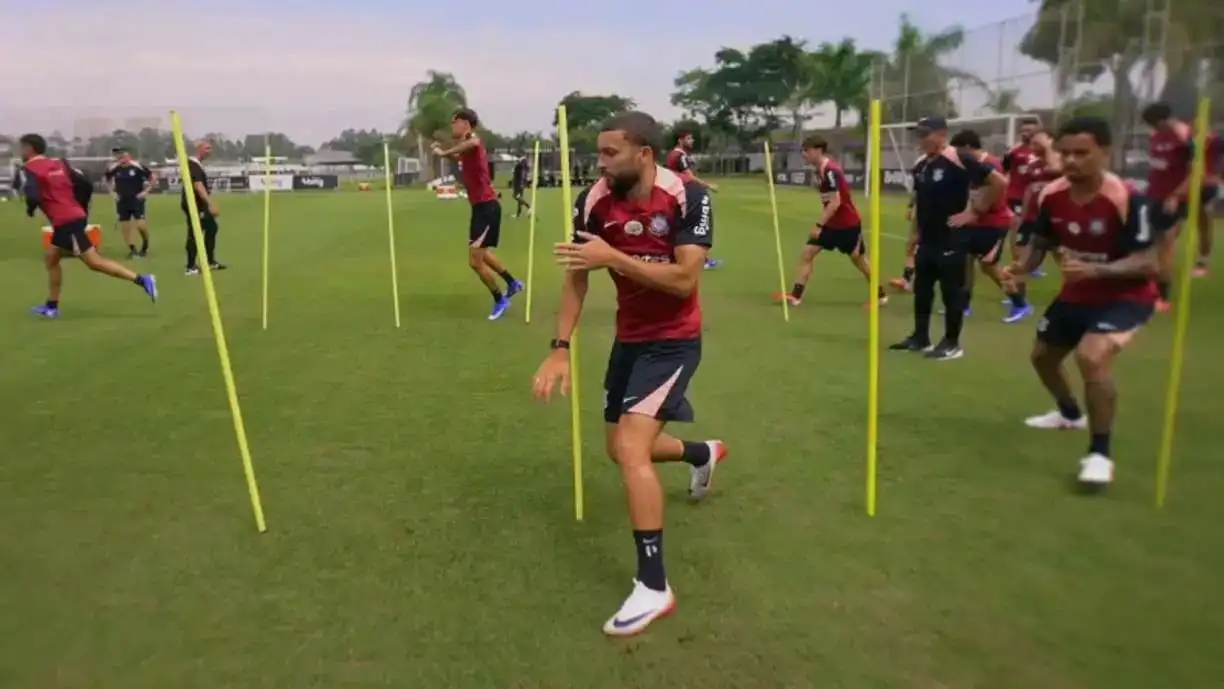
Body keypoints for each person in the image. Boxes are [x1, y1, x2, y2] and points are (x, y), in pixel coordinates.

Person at [533, 111, 728, 637]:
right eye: (598, 153)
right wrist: (559, 348)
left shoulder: (688, 196)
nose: (600, 162)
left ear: (644, 153)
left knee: (633, 452)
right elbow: (578, 278)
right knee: (617, 447)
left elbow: (685, 280)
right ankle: (701, 453)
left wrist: (613, 256)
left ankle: (653, 585)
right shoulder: (594, 201)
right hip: (630, 339)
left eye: (609, 153)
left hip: (675, 341)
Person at [1007, 116, 1162, 487]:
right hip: (1078, 293)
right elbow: (1042, 241)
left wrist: (1098, 272)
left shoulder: (1127, 197)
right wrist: (1021, 268)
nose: (1071, 161)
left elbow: (1148, 262)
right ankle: (1069, 415)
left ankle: (1099, 455)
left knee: (1091, 356)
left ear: (1104, 152)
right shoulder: (1051, 194)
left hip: (1127, 295)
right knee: (1043, 358)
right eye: (1065, 153)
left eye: (1081, 153)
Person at [888, 116, 998, 361]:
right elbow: (920, 202)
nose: (920, 139)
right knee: (922, 290)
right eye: (918, 134)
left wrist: (974, 212)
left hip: (952, 238)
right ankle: (920, 337)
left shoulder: (958, 158)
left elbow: (999, 182)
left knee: (951, 293)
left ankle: (952, 343)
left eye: (925, 134)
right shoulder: (921, 165)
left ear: (941, 135)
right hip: (928, 239)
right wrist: (914, 234)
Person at [19, 134, 157, 318]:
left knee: (94, 262)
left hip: (66, 221)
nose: (21, 152)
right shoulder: (61, 163)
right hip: (72, 218)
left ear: (30, 149)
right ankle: (52, 306)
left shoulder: (31, 168)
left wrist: (30, 209)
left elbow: (33, 195)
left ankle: (142, 280)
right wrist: (79, 208)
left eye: (22, 148)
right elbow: (84, 185)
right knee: (51, 258)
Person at [431, 108, 524, 320]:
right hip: (480, 208)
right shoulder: (465, 148)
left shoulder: (473, 140)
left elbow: (471, 144)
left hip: (487, 207)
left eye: (454, 122)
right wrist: (442, 151)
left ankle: (500, 299)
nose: (452, 126)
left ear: (465, 123)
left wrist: (443, 153)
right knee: (482, 253)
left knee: (474, 261)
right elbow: (459, 156)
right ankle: (512, 283)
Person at [776, 135, 887, 307]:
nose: (803, 154)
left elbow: (836, 202)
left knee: (859, 260)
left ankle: (880, 295)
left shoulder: (831, 171)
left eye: (807, 150)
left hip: (847, 225)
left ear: (818, 150)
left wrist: (818, 225)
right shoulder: (818, 171)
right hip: (832, 224)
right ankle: (795, 296)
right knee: (807, 253)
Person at [950, 129, 1032, 323]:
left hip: (994, 222)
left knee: (989, 266)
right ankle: (964, 305)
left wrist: (978, 210)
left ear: (968, 147)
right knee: (965, 262)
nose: (957, 154)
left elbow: (999, 187)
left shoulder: (989, 164)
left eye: (959, 149)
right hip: (975, 223)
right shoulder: (970, 164)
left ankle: (1020, 303)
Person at [1141, 101, 1222, 294]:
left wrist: (1177, 195)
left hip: (1196, 188)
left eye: (1154, 124)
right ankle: (1160, 277)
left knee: (1201, 220)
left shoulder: (1186, 135)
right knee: (1162, 234)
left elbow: (1198, 167)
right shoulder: (1156, 136)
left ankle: (1202, 261)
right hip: (1162, 192)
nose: (1152, 128)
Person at [665, 126, 721, 270]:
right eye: (689, 138)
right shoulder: (679, 155)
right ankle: (701, 260)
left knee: (683, 224)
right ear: (680, 140)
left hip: (679, 192)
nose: (692, 140)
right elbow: (688, 177)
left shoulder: (676, 155)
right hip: (688, 192)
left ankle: (687, 257)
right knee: (699, 224)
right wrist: (708, 185)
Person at [1002, 117, 1042, 266]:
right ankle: (1016, 264)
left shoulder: (1042, 151)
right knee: (1018, 229)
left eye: (1029, 130)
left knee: (1037, 234)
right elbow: (1002, 171)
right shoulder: (1014, 151)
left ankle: (1031, 263)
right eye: (1023, 130)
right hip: (1016, 197)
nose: (1025, 133)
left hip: (1038, 199)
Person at [182, 140, 226, 275]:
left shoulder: (197, 165)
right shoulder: (193, 164)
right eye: (207, 148)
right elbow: (198, 186)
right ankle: (191, 266)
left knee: (212, 228)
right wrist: (210, 203)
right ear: (199, 149)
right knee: (195, 232)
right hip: (194, 204)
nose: (210, 151)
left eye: (210, 148)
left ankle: (209, 261)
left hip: (199, 204)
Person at [105, 147, 154, 258]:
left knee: (140, 225)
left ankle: (145, 244)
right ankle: (132, 249)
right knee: (125, 226)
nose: (121, 158)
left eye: (123, 155)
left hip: (136, 199)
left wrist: (146, 191)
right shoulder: (114, 168)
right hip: (122, 200)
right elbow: (107, 179)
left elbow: (152, 177)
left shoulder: (137, 166)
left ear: (129, 156)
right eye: (119, 156)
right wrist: (112, 192)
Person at [511, 153, 531, 218]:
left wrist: (522, 158)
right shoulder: (520, 164)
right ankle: (518, 214)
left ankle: (529, 207)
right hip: (521, 183)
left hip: (518, 183)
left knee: (515, 196)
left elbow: (524, 166)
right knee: (520, 199)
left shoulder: (520, 164)